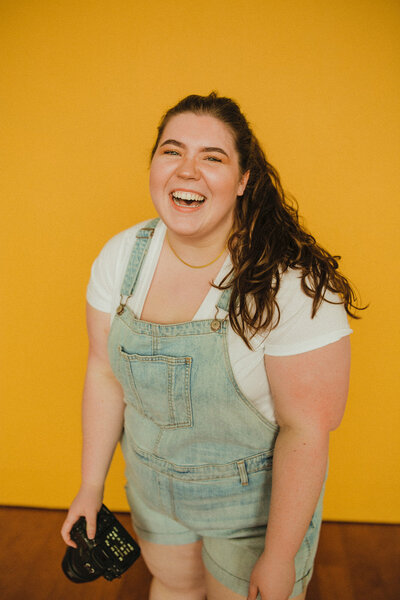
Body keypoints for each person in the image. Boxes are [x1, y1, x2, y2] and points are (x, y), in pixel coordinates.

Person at [61, 92, 360, 600]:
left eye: (212, 157)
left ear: (244, 180)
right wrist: (91, 486)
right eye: (172, 151)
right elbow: (103, 370)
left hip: (253, 514)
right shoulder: (121, 259)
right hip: (155, 494)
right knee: (173, 585)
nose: (187, 171)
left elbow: (305, 429)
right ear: (154, 164)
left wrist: (280, 555)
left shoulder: (292, 284)